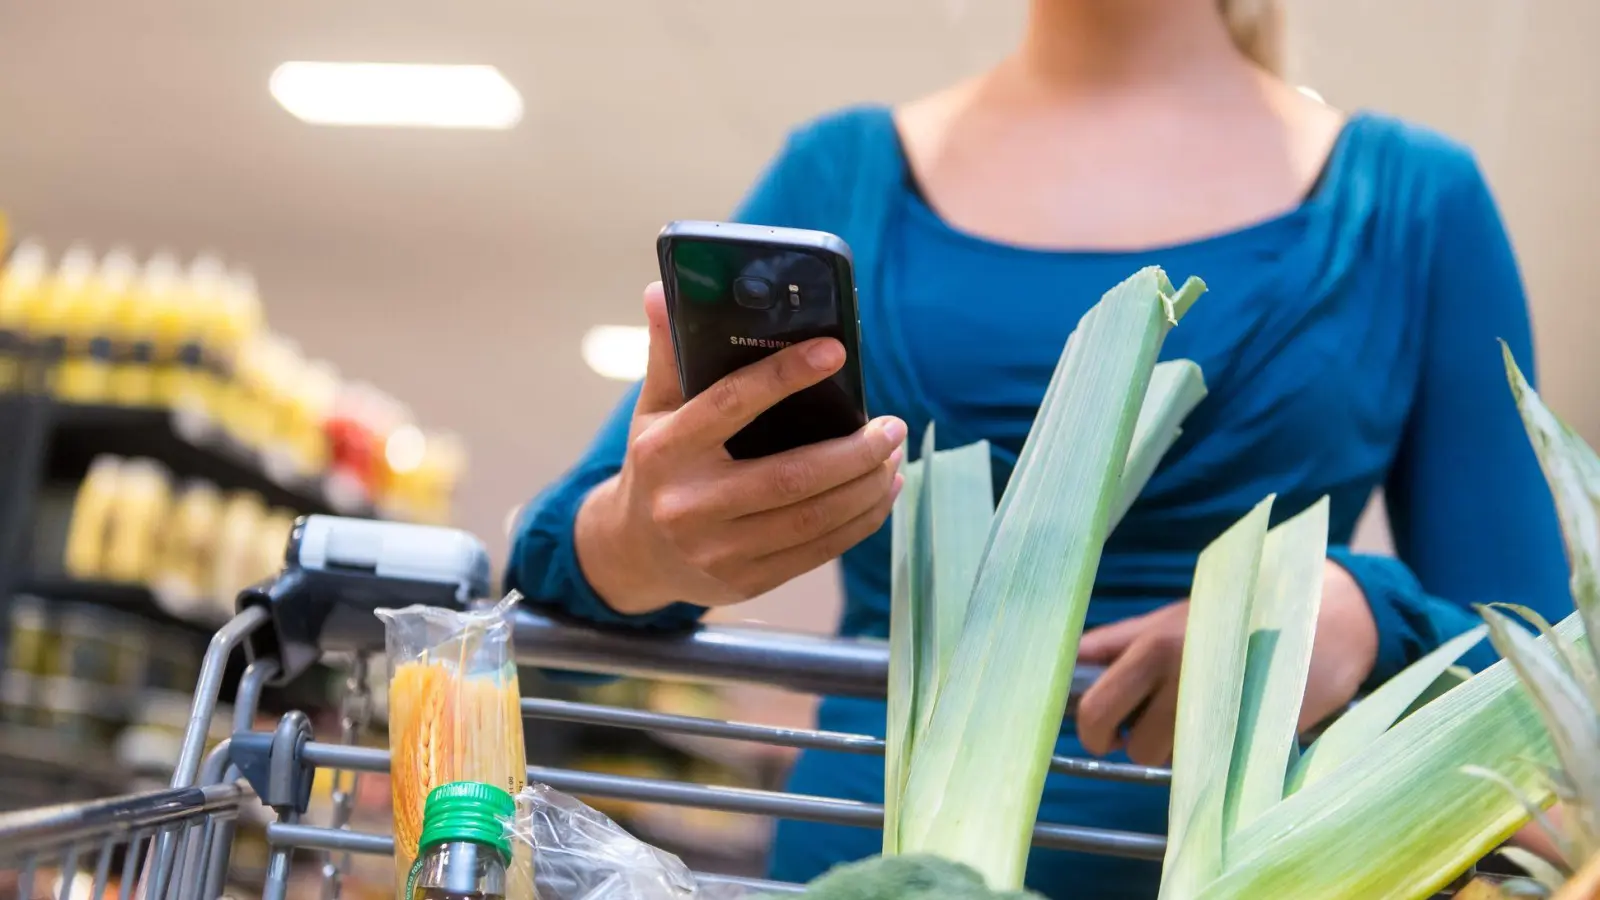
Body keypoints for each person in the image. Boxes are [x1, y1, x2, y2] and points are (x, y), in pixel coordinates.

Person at [506, 0, 1572, 896]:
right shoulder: (839, 172)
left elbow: (1553, 674)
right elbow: (558, 559)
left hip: (1250, 868)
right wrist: (649, 539)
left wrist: (1355, 614)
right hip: (873, 864)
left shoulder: (1413, 204)